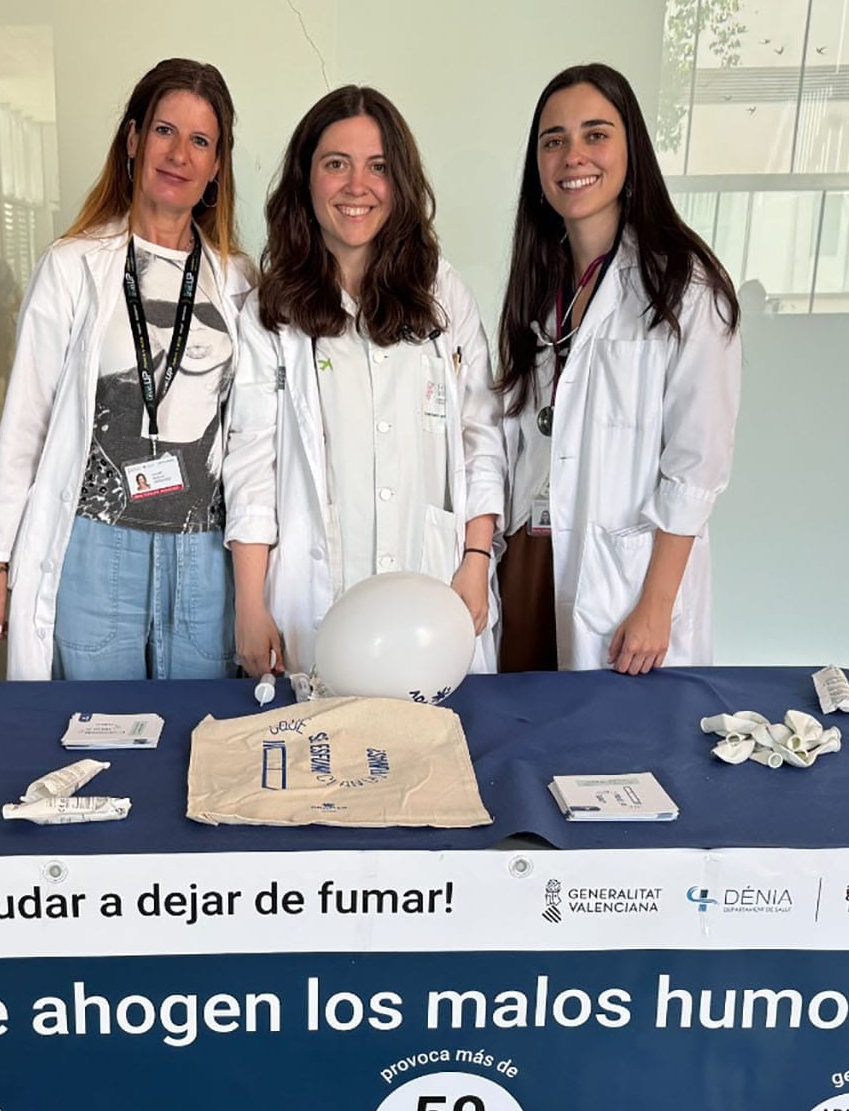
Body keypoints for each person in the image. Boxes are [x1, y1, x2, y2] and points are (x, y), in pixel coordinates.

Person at [0, 59, 252, 680]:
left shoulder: (238, 281)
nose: (179, 155)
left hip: (207, 557)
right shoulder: (72, 266)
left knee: (201, 726)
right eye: (164, 131)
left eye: (200, 141)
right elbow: (26, 421)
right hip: (97, 550)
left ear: (216, 166)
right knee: (97, 726)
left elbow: (255, 438)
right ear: (132, 140)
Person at [225, 86, 504, 680]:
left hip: (434, 584)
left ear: (400, 182)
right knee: (323, 732)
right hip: (312, 599)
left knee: (435, 729)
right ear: (306, 180)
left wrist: (477, 559)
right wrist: (250, 603)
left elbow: (481, 436)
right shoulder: (271, 311)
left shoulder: (443, 295)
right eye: (336, 164)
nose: (358, 186)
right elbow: (250, 464)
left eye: (378, 167)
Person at [492, 64, 740, 674]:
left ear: (632, 150)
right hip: (531, 559)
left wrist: (656, 604)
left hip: (625, 578)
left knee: (615, 732)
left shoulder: (685, 287)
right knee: (520, 725)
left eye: (595, 135)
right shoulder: (540, 283)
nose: (572, 156)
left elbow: (696, 463)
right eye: (553, 141)